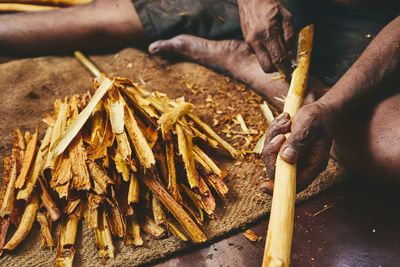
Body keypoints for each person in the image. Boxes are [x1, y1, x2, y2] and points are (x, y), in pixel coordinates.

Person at [1, 0, 399, 192]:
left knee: (390, 149)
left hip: (379, 23)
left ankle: (247, 65)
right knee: (96, 23)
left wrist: (330, 106)